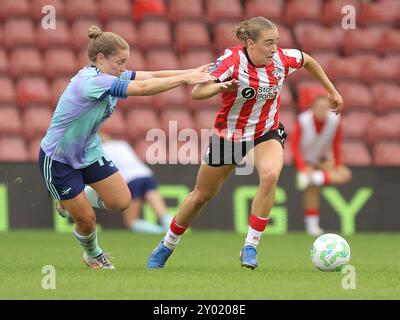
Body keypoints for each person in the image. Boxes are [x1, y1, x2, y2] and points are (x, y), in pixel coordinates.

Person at [147, 16, 344, 270]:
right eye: (268, 43)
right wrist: (220, 87)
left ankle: (250, 246)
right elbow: (197, 92)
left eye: (276, 42)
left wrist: (331, 90)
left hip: (266, 132)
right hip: (230, 136)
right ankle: (167, 244)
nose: (274, 49)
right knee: (201, 196)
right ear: (250, 43)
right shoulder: (231, 60)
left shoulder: (282, 60)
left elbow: (308, 60)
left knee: (271, 175)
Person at [38, 25, 216, 270]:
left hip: (89, 152)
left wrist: (191, 71)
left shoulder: (110, 74)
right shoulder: (92, 82)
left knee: (121, 200)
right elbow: (142, 89)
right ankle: (93, 253)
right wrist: (185, 79)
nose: (124, 68)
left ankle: (70, 200)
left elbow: (151, 76)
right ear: (101, 58)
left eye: (125, 62)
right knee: (87, 220)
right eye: (120, 62)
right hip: (59, 158)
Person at [290, 95, 352, 236]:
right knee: (313, 190)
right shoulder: (303, 120)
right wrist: (303, 168)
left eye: (326, 108)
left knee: (345, 175)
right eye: (319, 107)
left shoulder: (335, 120)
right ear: (313, 109)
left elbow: (336, 144)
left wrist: (337, 164)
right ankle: (312, 227)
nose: (323, 111)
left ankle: (315, 178)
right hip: (307, 160)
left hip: (324, 159)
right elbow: (294, 147)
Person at [100, 132, 172, 234]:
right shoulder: (122, 144)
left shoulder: (101, 150)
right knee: (162, 212)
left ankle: (159, 233)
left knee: (131, 222)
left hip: (131, 179)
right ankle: (173, 232)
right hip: (146, 174)